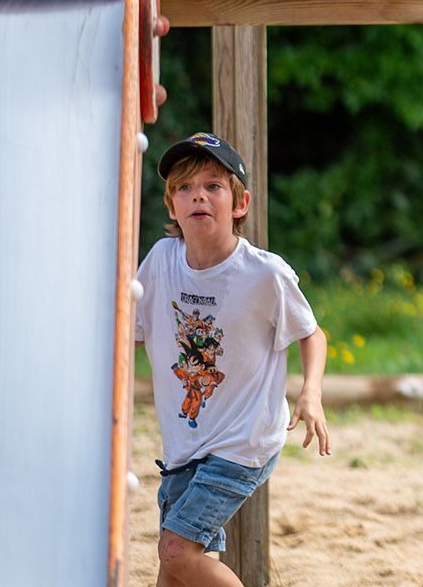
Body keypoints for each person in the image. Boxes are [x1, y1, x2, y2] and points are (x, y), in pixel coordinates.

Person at [134, 133, 332, 587]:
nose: (198, 195)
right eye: (184, 188)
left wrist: (311, 393)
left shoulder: (264, 273)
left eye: (212, 186)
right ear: (171, 206)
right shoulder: (161, 260)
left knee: (175, 550)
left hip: (243, 443)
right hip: (185, 445)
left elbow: (312, 332)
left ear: (240, 203)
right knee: (175, 571)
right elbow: (131, 335)